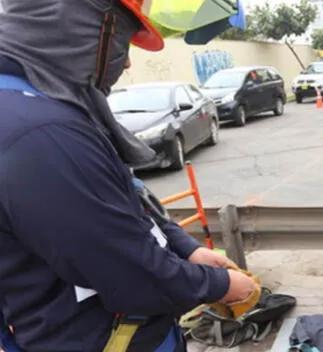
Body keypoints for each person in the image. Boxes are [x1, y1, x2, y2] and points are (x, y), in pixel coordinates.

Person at [0, 1, 258, 351]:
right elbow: (131, 275)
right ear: (83, 30)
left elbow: (125, 201)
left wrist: (186, 248)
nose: (128, 61)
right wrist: (222, 286)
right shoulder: (42, 135)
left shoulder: (41, 109)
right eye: (123, 40)